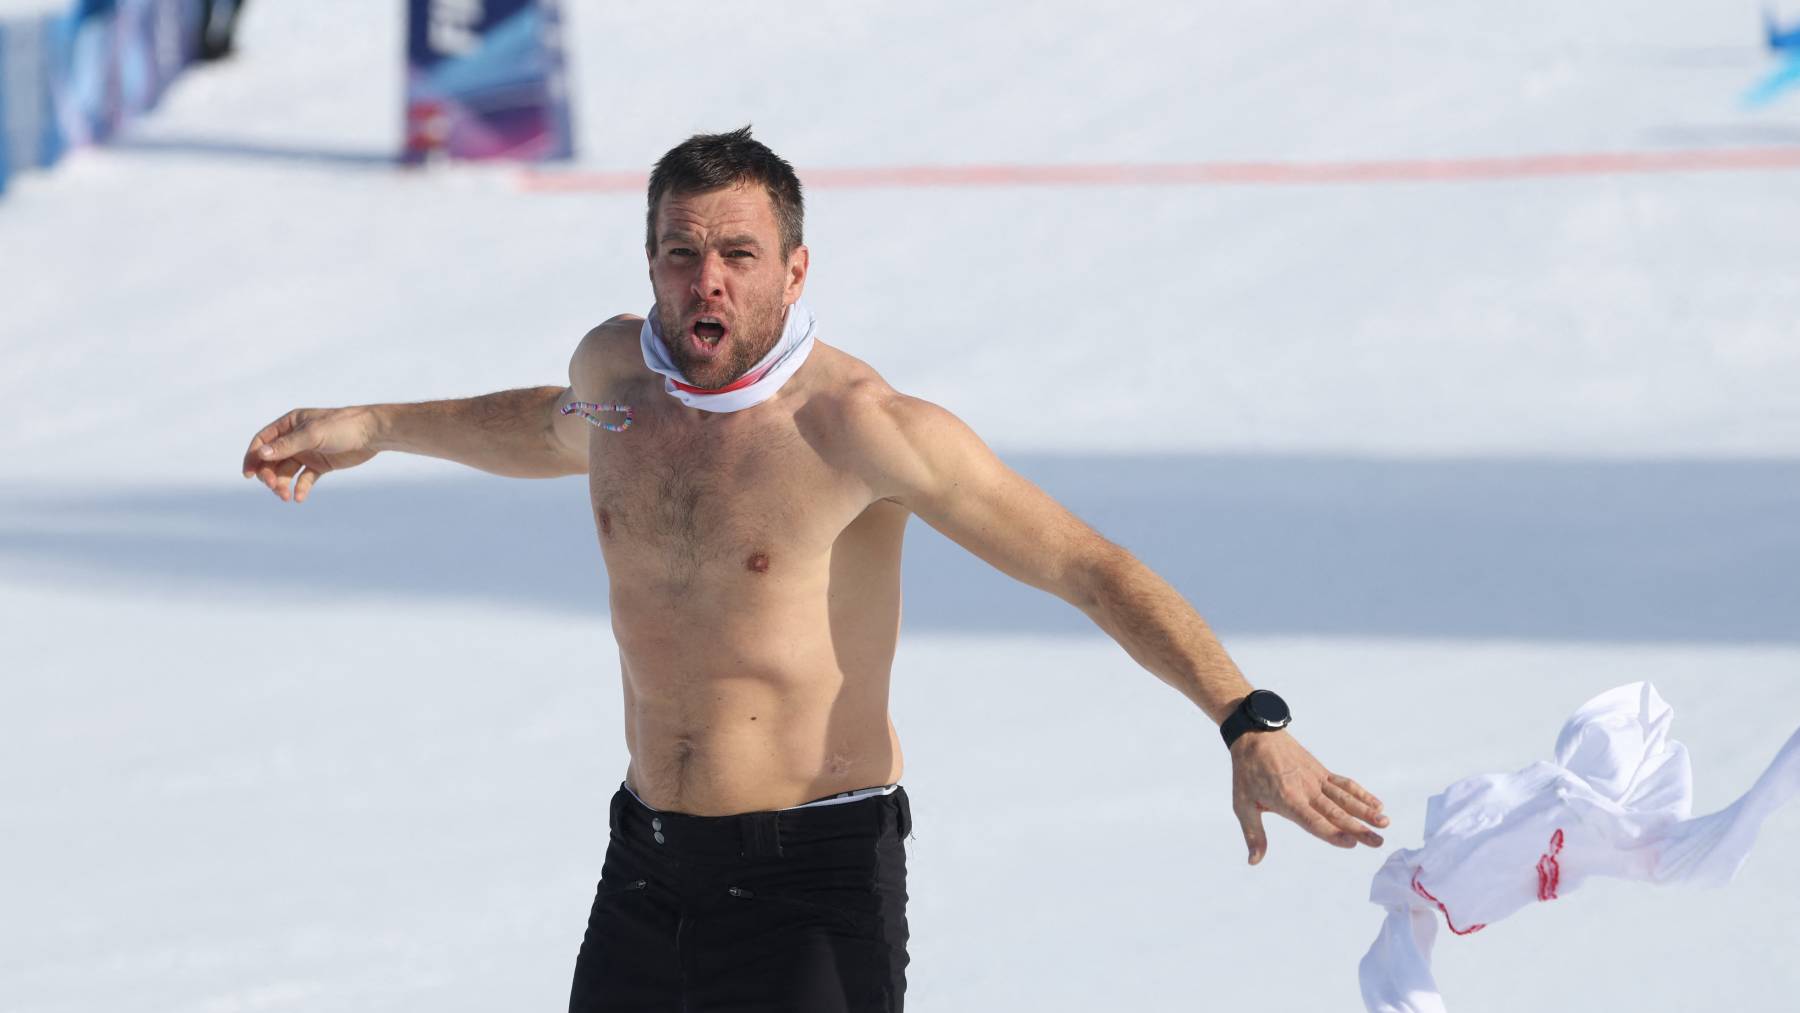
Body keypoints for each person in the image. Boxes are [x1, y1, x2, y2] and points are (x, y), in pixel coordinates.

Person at [240, 127, 1389, 1012]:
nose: (709, 283)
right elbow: (549, 426)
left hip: (810, 878)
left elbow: (1089, 565)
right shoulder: (617, 385)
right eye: (682, 254)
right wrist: (376, 423)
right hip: (646, 862)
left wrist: (1248, 716)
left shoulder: (863, 430)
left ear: (795, 267)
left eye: (738, 254)